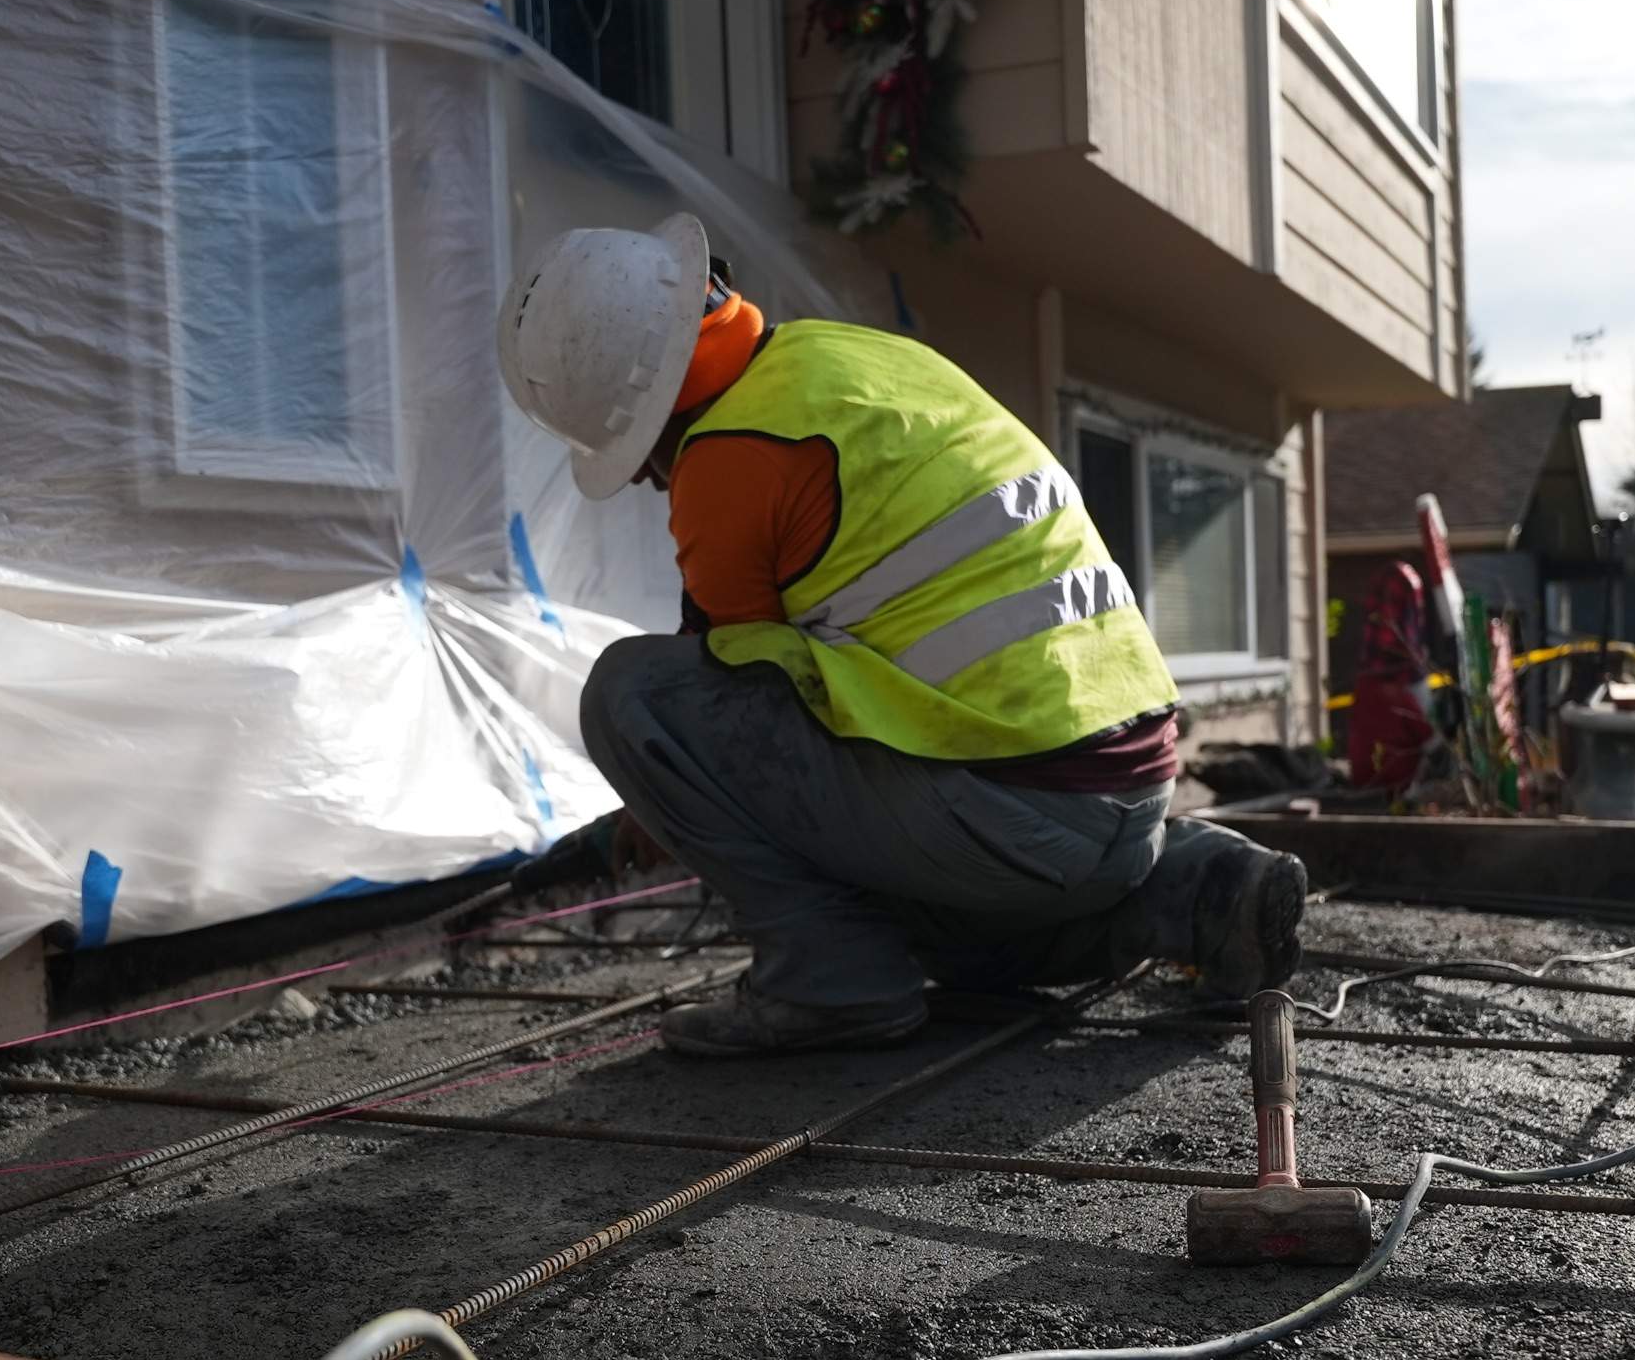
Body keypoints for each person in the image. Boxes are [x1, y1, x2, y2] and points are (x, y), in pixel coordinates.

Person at [497, 213, 1309, 1056]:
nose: (637, 480)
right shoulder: (857, 361)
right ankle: (1195, 888)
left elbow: (722, 708)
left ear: (643, 406)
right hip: (1128, 795)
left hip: (1017, 810)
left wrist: (657, 799)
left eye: (630, 455)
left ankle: (825, 986)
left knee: (631, 692)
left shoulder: (730, 454)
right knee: (930, 936)